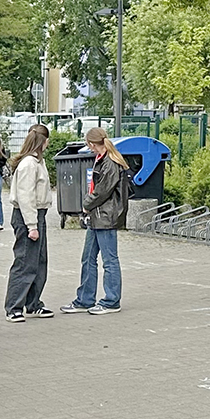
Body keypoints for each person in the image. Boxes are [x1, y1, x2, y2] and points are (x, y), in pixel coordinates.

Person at [62, 127, 128, 315]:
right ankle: (85, 299)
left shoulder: (110, 163)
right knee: (88, 258)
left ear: (91, 144)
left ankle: (111, 300)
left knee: (109, 260)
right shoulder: (104, 159)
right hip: (97, 216)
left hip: (104, 216)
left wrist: (86, 204)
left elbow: (102, 191)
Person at [5, 124, 54, 322]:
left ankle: (33, 303)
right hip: (28, 216)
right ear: (43, 141)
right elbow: (25, 196)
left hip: (38, 214)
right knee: (25, 262)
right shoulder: (29, 164)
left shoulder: (37, 162)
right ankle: (13, 307)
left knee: (39, 262)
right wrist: (31, 226)